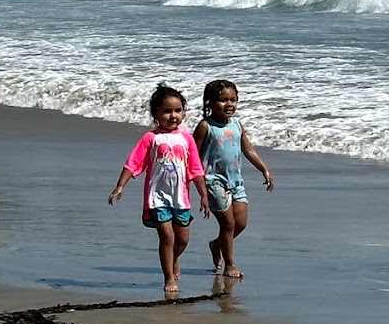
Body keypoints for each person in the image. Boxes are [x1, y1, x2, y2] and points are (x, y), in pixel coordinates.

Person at [109, 84, 209, 296]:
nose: (173, 115)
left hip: (180, 199)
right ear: (156, 114)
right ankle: (168, 277)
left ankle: (174, 260)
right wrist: (120, 186)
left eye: (178, 110)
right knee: (167, 237)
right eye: (167, 111)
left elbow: (195, 169)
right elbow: (133, 162)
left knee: (182, 239)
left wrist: (203, 195)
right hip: (157, 198)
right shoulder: (151, 138)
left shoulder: (187, 138)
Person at [193, 79, 273, 279]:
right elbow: (192, 154)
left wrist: (264, 169)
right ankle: (229, 265)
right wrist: (195, 183)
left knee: (241, 223)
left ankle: (217, 244)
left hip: (236, 181)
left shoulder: (237, 124)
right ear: (209, 103)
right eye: (222, 100)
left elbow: (248, 150)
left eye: (233, 100)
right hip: (213, 181)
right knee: (227, 224)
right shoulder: (206, 126)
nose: (229, 104)